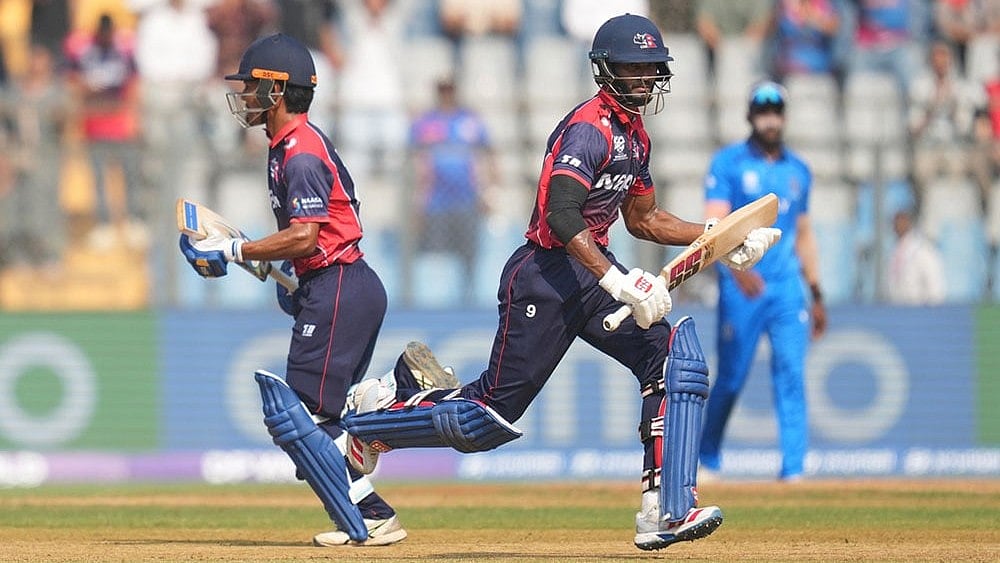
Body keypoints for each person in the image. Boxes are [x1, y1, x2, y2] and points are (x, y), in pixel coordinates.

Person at [340, 14, 781, 551]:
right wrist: (619, 280)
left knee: (672, 360)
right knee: (488, 420)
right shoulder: (588, 129)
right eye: (632, 68)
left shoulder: (635, 136)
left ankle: (665, 507)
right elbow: (561, 215)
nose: (645, 80)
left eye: (651, 69)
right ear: (605, 71)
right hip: (545, 274)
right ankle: (373, 422)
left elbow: (645, 220)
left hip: (589, 271)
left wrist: (717, 235)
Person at [177, 33, 454, 547]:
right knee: (318, 421)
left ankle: (393, 402)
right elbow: (314, 239)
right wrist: (298, 278)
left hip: (341, 282)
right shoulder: (290, 146)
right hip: (337, 282)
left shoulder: (299, 152)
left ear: (277, 90)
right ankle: (381, 419)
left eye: (253, 86)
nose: (244, 97)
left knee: (299, 419)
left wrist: (236, 252)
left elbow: (306, 234)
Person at [698, 81, 827, 483]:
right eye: (761, 110)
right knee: (733, 375)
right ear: (750, 115)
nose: (769, 118)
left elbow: (803, 233)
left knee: (791, 371)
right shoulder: (728, 164)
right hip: (743, 285)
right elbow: (713, 225)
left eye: (775, 110)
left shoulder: (798, 170)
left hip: (787, 286)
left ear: (784, 117)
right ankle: (707, 458)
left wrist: (816, 289)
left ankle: (793, 468)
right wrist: (736, 271)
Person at [408, 76, 498, 305]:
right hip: (436, 200)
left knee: (469, 251)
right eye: (442, 90)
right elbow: (417, 162)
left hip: (467, 198)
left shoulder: (469, 120)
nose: (446, 95)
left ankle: (469, 298)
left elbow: (486, 155)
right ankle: (441, 303)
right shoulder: (426, 122)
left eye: (450, 90)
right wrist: (418, 199)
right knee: (438, 252)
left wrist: (488, 192)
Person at [885, 207, 947, 304]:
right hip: (897, 310)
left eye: (901, 221)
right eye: (895, 222)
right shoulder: (894, 250)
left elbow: (935, 287)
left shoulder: (924, 250)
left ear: (909, 223)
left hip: (918, 312)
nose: (897, 225)